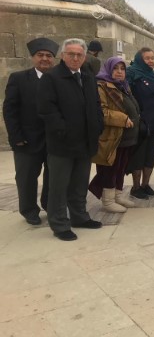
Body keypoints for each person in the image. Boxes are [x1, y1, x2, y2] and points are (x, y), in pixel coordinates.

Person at [37, 38, 104, 241]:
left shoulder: (88, 76)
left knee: (79, 184)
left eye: (79, 55)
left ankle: (79, 217)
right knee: (59, 186)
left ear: (84, 57)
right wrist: (62, 131)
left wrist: (97, 125)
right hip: (63, 143)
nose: (75, 58)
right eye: (71, 54)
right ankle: (59, 224)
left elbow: (96, 104)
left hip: (85, 141)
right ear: (63, 56)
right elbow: (47, 109)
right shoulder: (52, 77)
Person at [3, 37, 58, 225]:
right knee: (26, 177)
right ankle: (29, 210)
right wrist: (16, 137)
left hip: (53, 140)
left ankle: (49, 205)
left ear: (54, 58)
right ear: (33, 57)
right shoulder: (18, 78)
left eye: (48, 55)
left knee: (53, 176)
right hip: (26, 140)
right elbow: (10, 110)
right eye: (40, 55)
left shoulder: (59, 79)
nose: (44, 59)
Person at [88, 57, 140, 212]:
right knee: (109, 169)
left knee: (120, 168)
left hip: (125, 136)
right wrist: (123, 118)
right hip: (111, 136)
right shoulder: (102, 86)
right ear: (108, 69)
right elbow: (101, 112)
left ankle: (117, 195)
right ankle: (108, 201)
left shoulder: (123, 86)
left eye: (122, 69)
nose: (119, 72)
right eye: (115, 68)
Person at [126, 48, 154, 199]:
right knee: (139, 156)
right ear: (139, 59)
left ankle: (145, 184)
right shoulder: (132, 74)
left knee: (150, 156)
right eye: (147, 58)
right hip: (141, 124)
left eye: (152, 58)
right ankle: (135, 187)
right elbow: (127, 96)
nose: (150, 61)